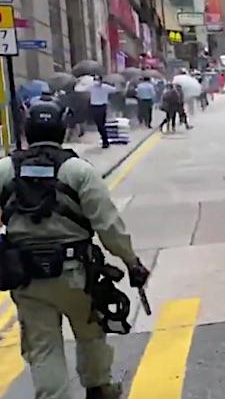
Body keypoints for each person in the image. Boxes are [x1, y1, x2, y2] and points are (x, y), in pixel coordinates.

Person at [0, 93, 150, 399]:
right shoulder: (78, 171)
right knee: (90, 333)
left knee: (43, 347)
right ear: (63, 128)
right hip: (75, 274)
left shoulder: (5, 170)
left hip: (26, 276)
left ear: (27, 130)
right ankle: (99, 389)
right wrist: (132, 262)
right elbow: (108, 225)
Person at [88, 76, 117, 148]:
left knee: (101, 124)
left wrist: (113, 85)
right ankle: (104, 138)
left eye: (97, 80)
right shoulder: (91, 87)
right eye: (95, 80)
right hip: (94, 107)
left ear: (101, 80)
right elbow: (79, 89)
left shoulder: (105, 87)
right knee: (99, 124)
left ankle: (105, 141)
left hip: (102, 107)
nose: (96, 82)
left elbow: (115, 90)